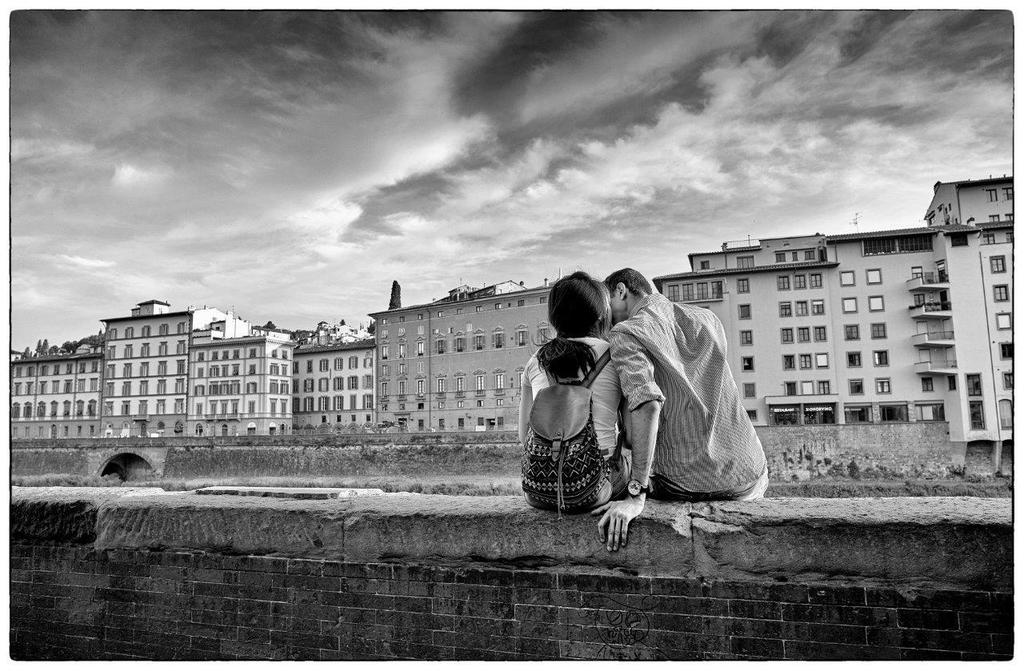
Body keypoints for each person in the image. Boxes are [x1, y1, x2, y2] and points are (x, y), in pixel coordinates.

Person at [592, 268, 768, 551]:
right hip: (749, 476)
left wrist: (637, 494)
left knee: (604, 482)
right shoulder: (709, 319)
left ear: (621, 291)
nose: (606, 315)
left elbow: (647, 404)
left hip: (684, 484)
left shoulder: (625, 333)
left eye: (607, 304)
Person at [519, 271, 630, 510]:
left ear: (554, 318)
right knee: (627, 466)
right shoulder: (615, 354)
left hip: (538, 489)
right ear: (601, 313)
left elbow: (523, 435)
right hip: (595, 488)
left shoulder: (536, 361)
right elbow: (631, 436)